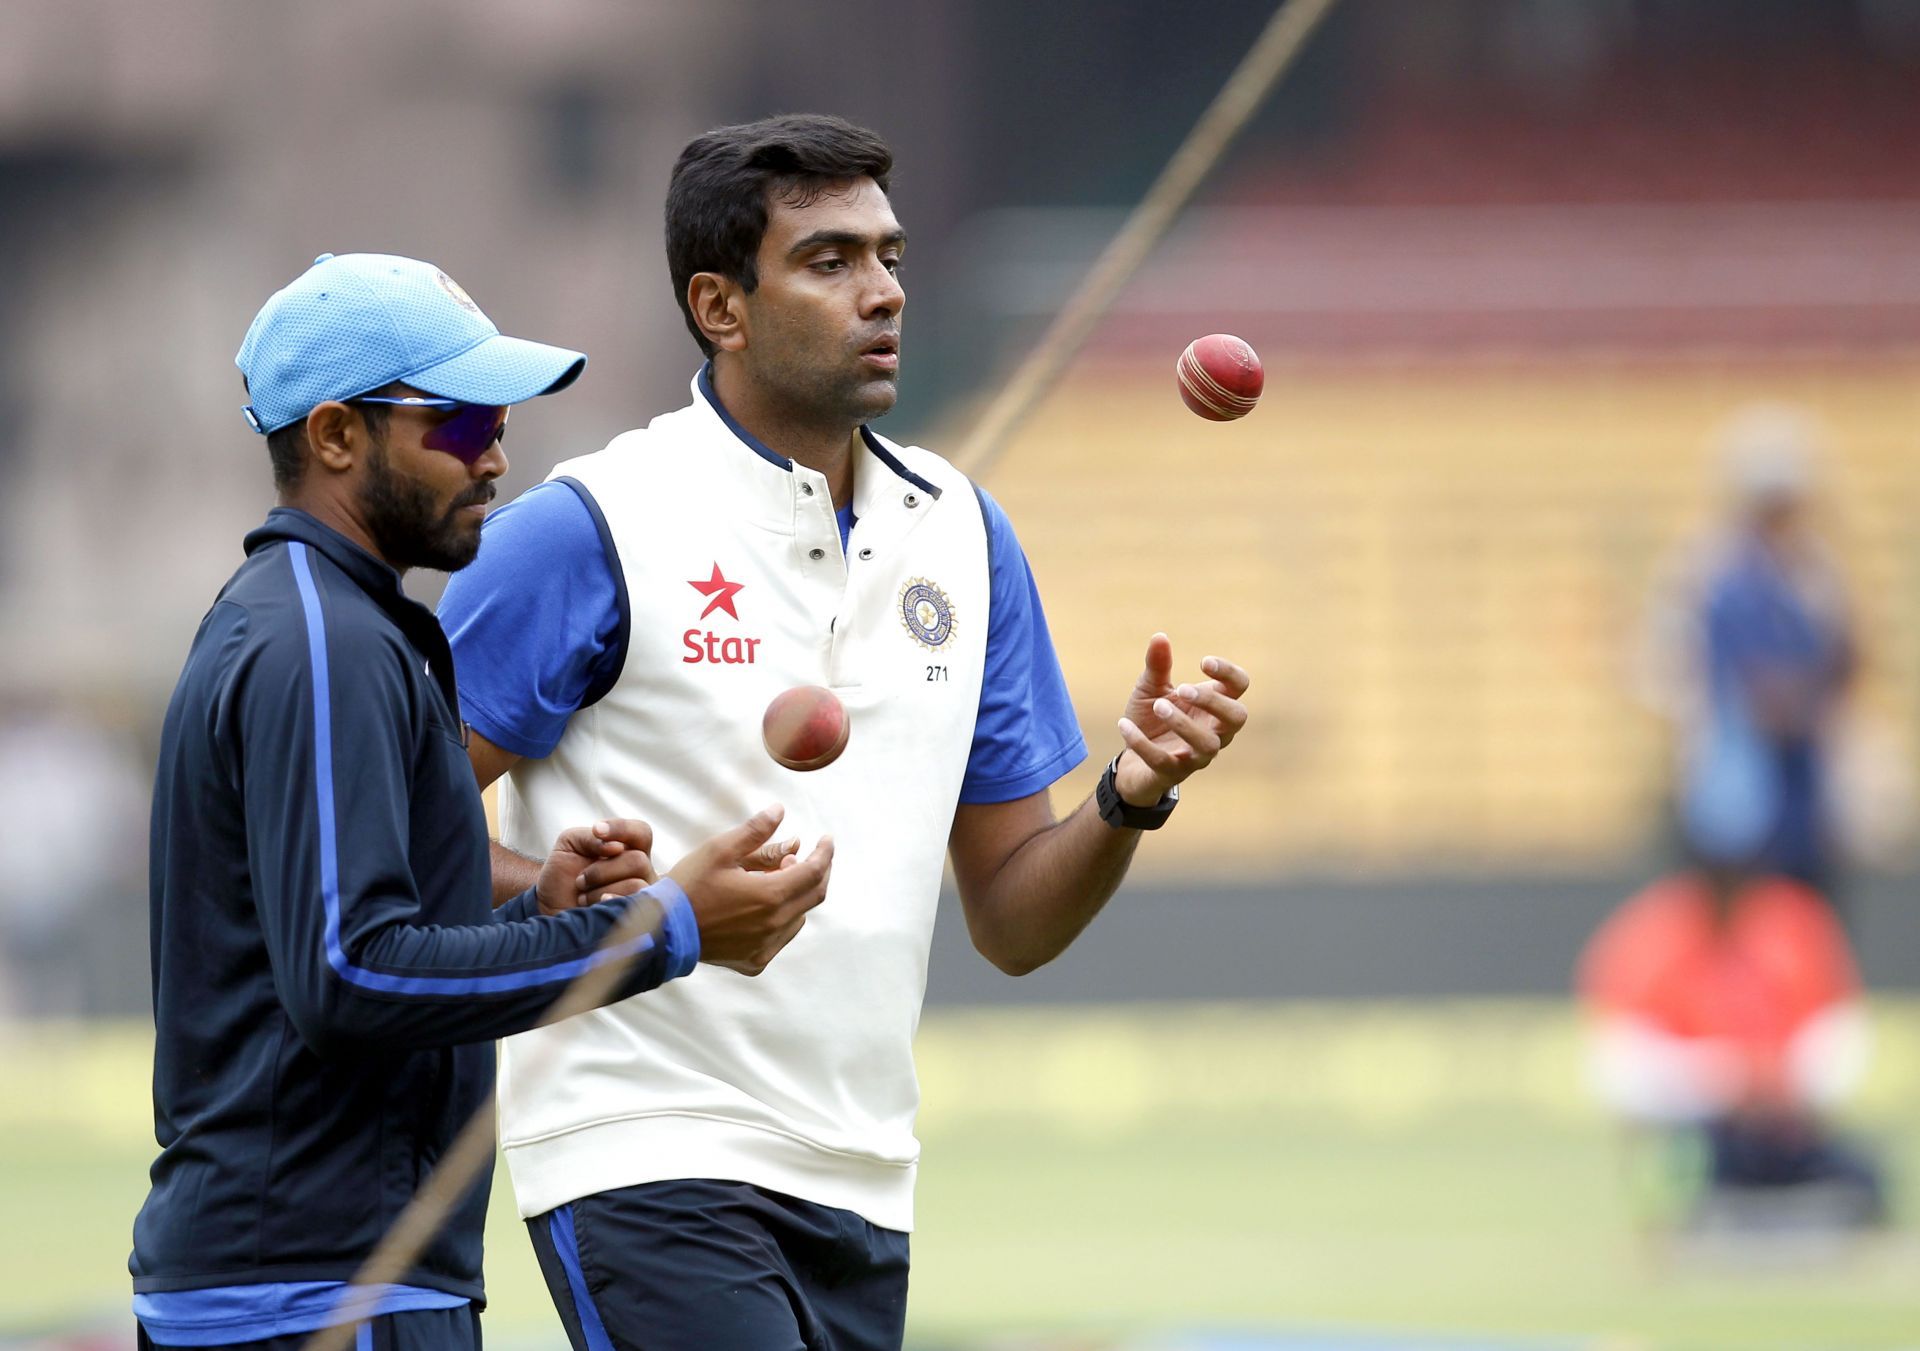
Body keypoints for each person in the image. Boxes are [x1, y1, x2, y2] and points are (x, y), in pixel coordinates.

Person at [438, 115, 1252, 1351]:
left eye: (891, 255)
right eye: (831, 261)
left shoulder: (967, 535)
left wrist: (1131, 796)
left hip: (866, 1170)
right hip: (642, 1137)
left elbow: (1016, 920)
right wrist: (645, 914)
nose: (884, 294)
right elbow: (390, 819)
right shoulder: (587, 526)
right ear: (721, 305)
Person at [131, 252, 834, 1351]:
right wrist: (667, 926)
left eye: (499, 419)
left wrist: (540, 913)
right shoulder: (326, 644)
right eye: (456, 423)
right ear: (332, 437)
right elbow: (349, 975)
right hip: (316, 1293)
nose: (497, 453)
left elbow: (341, 953)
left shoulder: (337, 624)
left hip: (333, 1282)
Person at [1578, 861, 1885, 1232]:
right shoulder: (1659, 926)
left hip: (1780, 1092)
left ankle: (1795, 1171)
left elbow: (1833, 1025)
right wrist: (1728, 1075)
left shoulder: (1789, 918)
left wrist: (1775, 1077)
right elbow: (1624, 1045)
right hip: (1700, 1098)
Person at [1638, 406, 1858, 899]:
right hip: (1734, 792)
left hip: (1802, 792)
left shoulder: (1814, 572)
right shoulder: (1709, 573)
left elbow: (1849, 659)